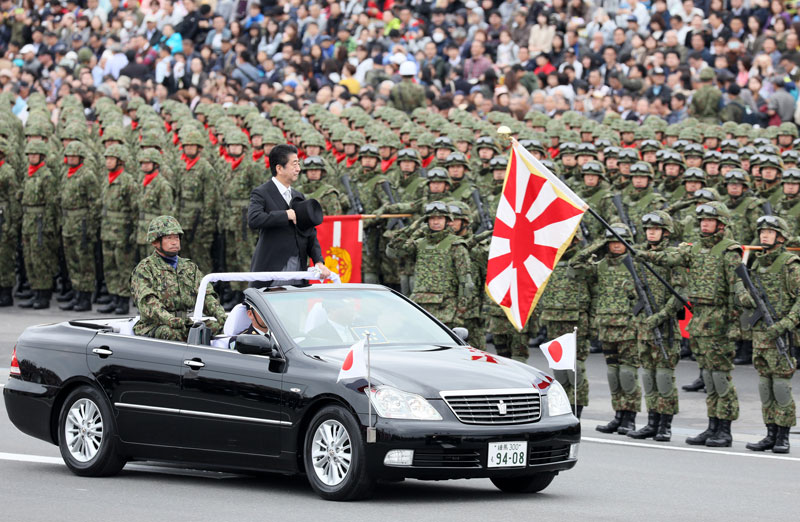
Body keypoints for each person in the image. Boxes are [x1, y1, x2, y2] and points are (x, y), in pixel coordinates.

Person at [638, 202, 744, 447]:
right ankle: (711, 427)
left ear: (721, 223)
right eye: (703, 220)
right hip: (699, 321)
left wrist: (735, 324)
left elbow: (736, 289)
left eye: (710, 220)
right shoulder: (694, 248)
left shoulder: (729, 251)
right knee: (707, 376)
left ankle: (724, 430)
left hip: (719, 320)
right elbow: (668, 257)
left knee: (720, 377)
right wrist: (643, 253)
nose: (705, 224)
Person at [572, 224, 641, 435]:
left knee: (628, 373)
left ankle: (630, 417)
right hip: (606, 325)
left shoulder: (636, 264)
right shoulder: (600, 266)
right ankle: (617, 415)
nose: (616, 245)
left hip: (628, 326)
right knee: (613, 373)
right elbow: (575, 264)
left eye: (620, 241)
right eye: (612, 241)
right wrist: (597, 246)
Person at [627, 212, 684, 442]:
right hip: (643, 326)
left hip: (665, 327)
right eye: (648, 228)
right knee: (648, 377)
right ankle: (651, 422)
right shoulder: (639, 256)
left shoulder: (673, 257)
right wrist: (632, 290)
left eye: (656, 228)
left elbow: (681, 293)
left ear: (666, 232)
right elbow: (627, 285)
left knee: (664, 377)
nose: (651, 232)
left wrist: (661, 316)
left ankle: (665, 425)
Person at [743, 216, 798, 454]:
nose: (764, 235)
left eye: (770, 232)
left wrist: (785, 323)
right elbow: (747, 295)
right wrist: (745, 298)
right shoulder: (757, 263)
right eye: (762, 232)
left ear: (781, 237)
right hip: (760, 333)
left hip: (781, 334)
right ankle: (770, 433)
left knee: (781, 385)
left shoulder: (790, 264)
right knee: (765, 384)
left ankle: (783, 436)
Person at [132, 215, 226, 341]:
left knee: (220, 328)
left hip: (184, 323)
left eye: (176, 237)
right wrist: (169, 319)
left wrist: (221, 316)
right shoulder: (145, 268)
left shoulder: (189, 267)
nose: (174, 242)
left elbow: (206, 295)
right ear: (155, 242)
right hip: (155, 325)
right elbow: (148, 302)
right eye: (168, 238)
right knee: (169, 333)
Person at [247, 144, 331, 284]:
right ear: (279, 168)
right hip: (273, 268)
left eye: (298, 164)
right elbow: (254, 219)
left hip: (298, 267)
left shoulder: (298, 196)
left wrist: (318, 261)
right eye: (294, 164)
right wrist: (285, 215)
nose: (298, 169)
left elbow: (310, 233)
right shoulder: (261, 193)